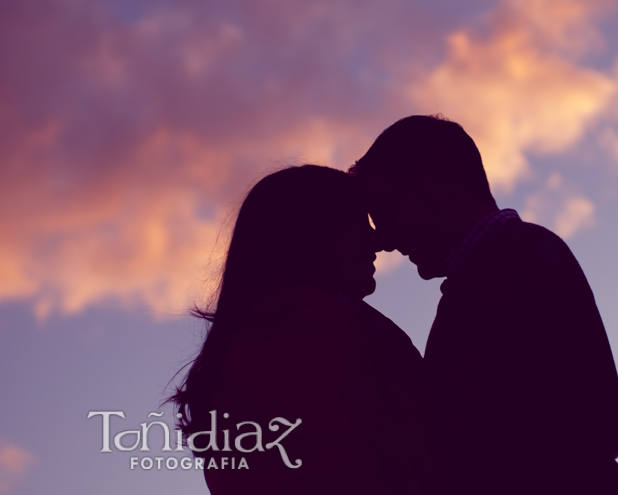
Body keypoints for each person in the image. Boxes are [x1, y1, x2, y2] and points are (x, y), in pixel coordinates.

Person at [349, 114, 618, 495]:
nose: (383, 240)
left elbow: (591, 424)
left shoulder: (521, 258)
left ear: (439, 179)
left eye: (386, 212)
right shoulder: (498, 268)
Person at [169, 164, 428, 494]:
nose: (376, 239)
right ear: (315, 234)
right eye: (357, 221)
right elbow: (331, 472)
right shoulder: (292, 327)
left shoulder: (285, 326)